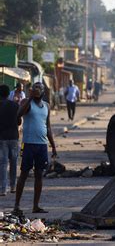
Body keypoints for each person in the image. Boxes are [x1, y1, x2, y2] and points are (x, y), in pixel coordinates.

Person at [14, 82, 57, 215]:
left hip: (42, 145)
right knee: (24, 174)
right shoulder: (27, 102)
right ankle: (16, 206)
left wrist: (53, 145)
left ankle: (35, 206)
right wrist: (30, 98)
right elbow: (18, 115)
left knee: (39, 175)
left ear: (43, 91)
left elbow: (48, 127)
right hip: (28, 144)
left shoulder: (46, 106)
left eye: (39, 88)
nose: (37, 90)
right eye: (35, 88)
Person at [0, 85, 21, 196]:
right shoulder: (15, 105)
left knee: (3, 164)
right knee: (13, 162)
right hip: (14, 137)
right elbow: (19, 122)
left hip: (2, 138)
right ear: (9, 94)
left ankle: (3, 189)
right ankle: (13, 186)